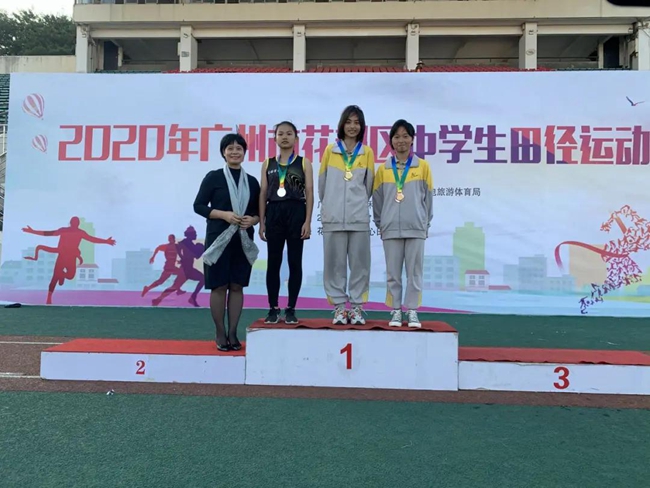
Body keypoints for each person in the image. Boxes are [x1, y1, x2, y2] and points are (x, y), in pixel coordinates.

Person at [193, 133, 261, 351]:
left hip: (242, 240)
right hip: (219, 239)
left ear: (244, 152)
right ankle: (220, 332)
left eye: (239, 148)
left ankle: (233, 332)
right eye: (230, 148)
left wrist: (254, 220)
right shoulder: (213, 177)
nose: (234, 152)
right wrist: (224, 215)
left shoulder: (252, 181)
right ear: (223, 152)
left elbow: (259, 211)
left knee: (237, 286)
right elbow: (199, 206)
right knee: (219, 286)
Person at [372, 119, 433, 328]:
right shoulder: (383, 169)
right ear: (391, 141)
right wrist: (381, 223)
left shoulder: (422, 167)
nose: (401, 140)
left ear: (412, 139)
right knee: (393, 273)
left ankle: (412, 310)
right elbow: (377, 200)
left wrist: (424, 224)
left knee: (415, 272)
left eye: (405, 136)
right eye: (397, 137)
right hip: (390, 229)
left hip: (416, 228)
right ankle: (396, 310)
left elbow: (428, 199)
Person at [318, 105, 375, 325]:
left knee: (360, 265)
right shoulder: (330, 151)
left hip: (358, 218)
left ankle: (357, 308)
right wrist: (331, 206)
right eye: (349, 122)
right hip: (333, 218)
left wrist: (357, 205)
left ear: (362, 126)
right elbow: (322, 185)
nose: (352, 126)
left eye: (357, 123)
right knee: (334, 265)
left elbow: (368, 186)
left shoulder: (366, 153)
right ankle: (340, 308)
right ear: (342, 124)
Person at [259, 121, 314, 325]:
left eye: (289, 133)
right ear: (275, 139)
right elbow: (263, 193)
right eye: (280, 133)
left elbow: (309, 192)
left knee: (294, 262)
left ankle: (291, 308)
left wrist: (307, 221)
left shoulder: (304, 162)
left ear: (296, 139)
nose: (284, 137)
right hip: (274, 212)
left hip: (296, 212)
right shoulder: (267, 163)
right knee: (273, 263)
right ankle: (273, 308)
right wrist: (262, 222)